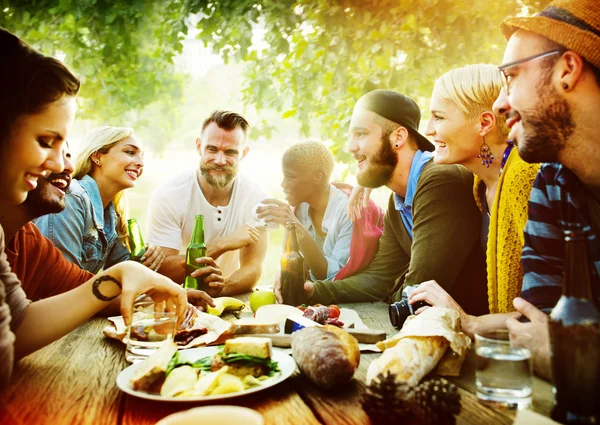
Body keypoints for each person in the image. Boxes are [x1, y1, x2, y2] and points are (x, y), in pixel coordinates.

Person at [0, 27, 187, 390]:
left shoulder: (23, 238)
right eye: (46, 142)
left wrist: (121, 276)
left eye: (65, 147)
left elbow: (18, 324)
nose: (61, 164)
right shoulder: (75, 202)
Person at [276, 90, 488, 314]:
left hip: (479, 334)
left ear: (398, 137)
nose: (350, 147)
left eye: (361, 134)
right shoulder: (397, 203)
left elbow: (418, 286)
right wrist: (313, 291)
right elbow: (378, 278)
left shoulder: (439, 181)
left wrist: (394, 294)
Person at [492, 0, 600, 380]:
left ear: (567, 69)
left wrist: (574, 357)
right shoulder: (553, 184)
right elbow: (536, 321)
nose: (499, 102)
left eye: (512, 76)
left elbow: (552, 342)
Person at [405, 65, 541, 334]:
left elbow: (547, 311)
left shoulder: (523, 177)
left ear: (484, 123)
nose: (429, 130)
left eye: (439, 117)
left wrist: (468, 321)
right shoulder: (482, 185)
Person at [146, 110, 269, 296]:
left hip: (226, 296)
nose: (219, 160)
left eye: (230, 152)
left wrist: (222, 288)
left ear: (243, 153)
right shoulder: (168, 196)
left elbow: (253, 267)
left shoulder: (257, 199)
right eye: (212, 149)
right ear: (198, 146)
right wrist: (221, 244)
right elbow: (162, 270)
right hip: (174, 297)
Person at [35, 126, 166, 274]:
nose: (140, 163)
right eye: (130, 152)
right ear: (97, 157)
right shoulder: (72, 198)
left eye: (142, 156)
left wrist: (148, 257)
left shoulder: (111, 215)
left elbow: (125, 275)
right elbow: (61, 280)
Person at [257, 140, 383, 281]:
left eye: (290, 177)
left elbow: (332, 277)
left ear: (318, 177)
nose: (283, 184)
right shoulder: (300, 208)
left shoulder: (351, 211)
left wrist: (296, 227)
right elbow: (294, 263)